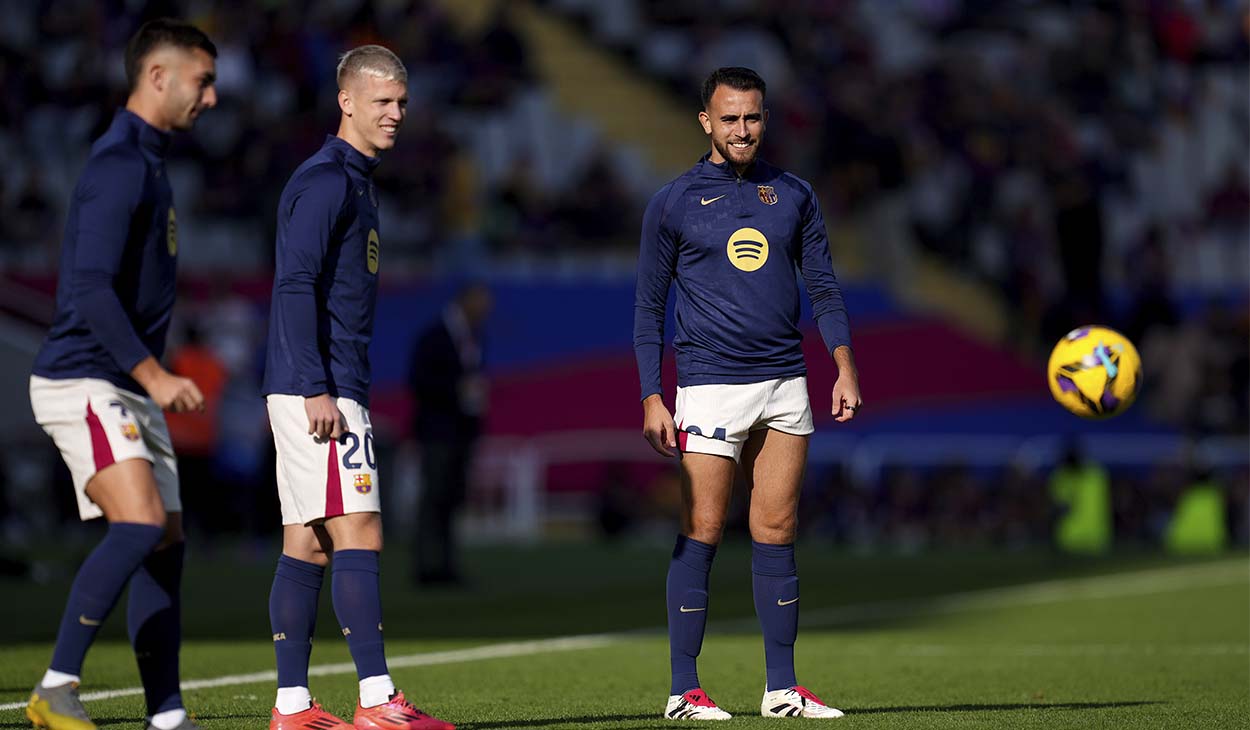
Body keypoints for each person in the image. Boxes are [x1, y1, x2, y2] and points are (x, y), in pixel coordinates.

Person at [633, 66, 861, 721]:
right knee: (702, 528)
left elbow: (823, 287)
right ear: (705, 121)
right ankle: (683, 691)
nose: (741, 129)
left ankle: (782, 690)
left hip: (786, 381)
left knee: (778, 528)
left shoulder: (792, 194)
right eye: (729, 118)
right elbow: (649, 307)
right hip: (708, 386)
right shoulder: (673, 202)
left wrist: (843, 365)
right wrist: (653, 395)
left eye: (752, 117)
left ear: (765, 119)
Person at [25, 18, 217, 730]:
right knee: (138, 524)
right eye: (203, 81)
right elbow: (88, 289)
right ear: (158, 77)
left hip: (125, 384)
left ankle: (166, 715)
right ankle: (54, 687)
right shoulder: (119, 164)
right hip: (85, 377)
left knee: (165, 544)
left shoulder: (151, 162)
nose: (214, 97)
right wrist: (155, 373)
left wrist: (148, 379)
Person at [261, 45, 454, 730]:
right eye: (382, 102)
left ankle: (292, 707)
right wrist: (318, 386)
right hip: (321, 386)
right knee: (360, 531)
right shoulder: (329, 181)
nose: (397, 113)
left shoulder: (356, 181)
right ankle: (378, 701)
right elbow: (292, 284)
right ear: (346, 101)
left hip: (316, 382)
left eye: (401, 101)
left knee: (308, 541)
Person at [410, 284, 492, 586]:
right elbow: (418, 381)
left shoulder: (473, 336)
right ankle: (424, 566)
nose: (486, 310)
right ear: (465, 301)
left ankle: (445, 565)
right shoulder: (435, 336)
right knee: (433, 498)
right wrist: (455, 391)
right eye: (481, 302)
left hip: (461, 431)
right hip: (437, 431)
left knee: (452, 499)